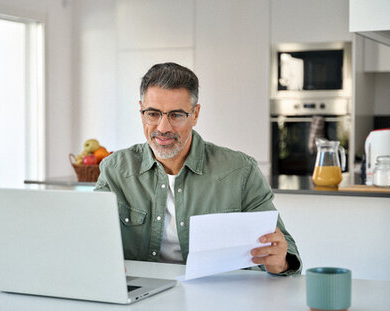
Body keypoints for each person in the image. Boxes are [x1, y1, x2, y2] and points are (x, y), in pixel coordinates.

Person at [94, 62, 301, 275]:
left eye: (176, 115)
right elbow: (91, 239)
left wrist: (280, 262)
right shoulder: (114, 170)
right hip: (140, 290)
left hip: (219, 291)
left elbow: (286, 253)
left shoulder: (241, 171)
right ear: (141, 111)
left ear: (195, 114)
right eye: (153, 114)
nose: (163, 128)